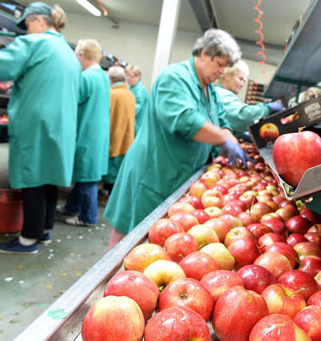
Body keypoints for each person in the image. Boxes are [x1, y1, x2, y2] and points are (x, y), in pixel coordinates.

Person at [104, 28, 252, 249]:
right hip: (153, 173)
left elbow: (222, 120)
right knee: (130, 239)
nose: (221, 71)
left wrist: (230, 136)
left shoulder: (210, 90)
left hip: (177, 175)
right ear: (203, 53)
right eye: (219, 64)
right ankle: (110, 282)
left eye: (225, 67)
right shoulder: (174, 77)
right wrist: (222, 138)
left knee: (153, 244)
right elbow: (184, 120)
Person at [0, 2, 80, 254]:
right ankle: (43, 232)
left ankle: (27, 240)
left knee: (32, 179)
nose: (26, 30)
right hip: (60, 126)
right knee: (48, 179)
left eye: (27, 24)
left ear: (38, 20)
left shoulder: (35, 43)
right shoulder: (68, 52)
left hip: (36, 124)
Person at [57, 39, 110, 227]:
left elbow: (70, 102)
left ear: (81, 55)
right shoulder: (103, 76)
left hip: (87, 134)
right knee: (85, 176)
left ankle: (88, 217)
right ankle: (72, 207)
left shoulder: (86, 77)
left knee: (87, 178)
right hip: (98, 134)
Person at [216, 60, 283, 137]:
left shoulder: (225, 95)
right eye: (240, 79)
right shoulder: (221, 94)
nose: (242, 84)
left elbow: (230, 123)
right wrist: (267, 108)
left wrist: (241, 135)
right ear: (227, 76)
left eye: (244, 81)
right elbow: (243, 117)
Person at [100, 66, 136, 202]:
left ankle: (105, 196)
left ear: (111, 79)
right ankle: (108, 195)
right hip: (126, 140)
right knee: (116, 174)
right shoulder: (129, 94)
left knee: (110, 173)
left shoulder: (112, 94)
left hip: (114, 139)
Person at [125, 64, 148, 136]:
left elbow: (136, 108)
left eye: (131, 76)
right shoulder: (129, 87)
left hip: (137, 125)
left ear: (138, 76)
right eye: (127, 75)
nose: (128, 78)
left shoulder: (140, 90)